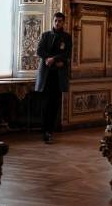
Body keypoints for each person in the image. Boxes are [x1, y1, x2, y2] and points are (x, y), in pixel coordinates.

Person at [35, 12, 71, 144]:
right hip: (46, 76)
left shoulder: (67, 37)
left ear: (63, 22)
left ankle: (50, 131)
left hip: (58, 76)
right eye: (56, 20)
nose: (57, 23)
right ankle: (44, 131)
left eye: (60, 21)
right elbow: (39, 51)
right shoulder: (46, 36)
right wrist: (48, 59)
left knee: (55, 104)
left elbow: (67, 53)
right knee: (45, 104)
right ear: (53, 21)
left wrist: (53, 59)